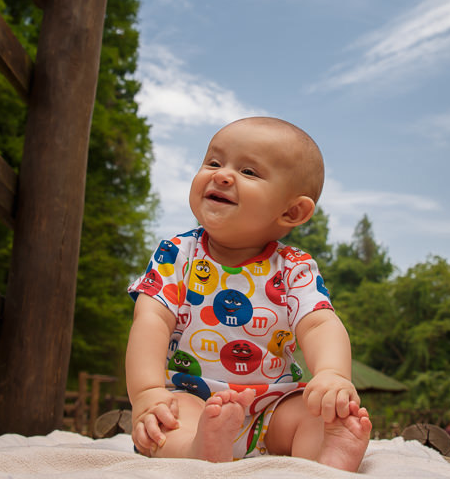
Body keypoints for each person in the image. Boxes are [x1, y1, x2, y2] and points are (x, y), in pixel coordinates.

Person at [125, 117, 371, 470]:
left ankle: (327, 452)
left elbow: (319, 325)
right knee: (166, 426)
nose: (222, 175)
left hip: (274, 403)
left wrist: (332, 373)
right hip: (192, 395)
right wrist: (148, 393)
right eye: (213, 162)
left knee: (310, 413)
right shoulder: (176, 255)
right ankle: (200, 448)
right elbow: (150, 319)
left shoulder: (293, 268)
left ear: (292, 211)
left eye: (249, 172)